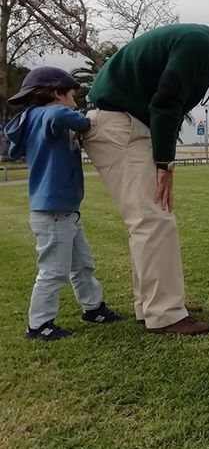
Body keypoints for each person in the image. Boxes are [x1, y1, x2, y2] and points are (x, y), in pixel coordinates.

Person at [83, 0, 209, 335]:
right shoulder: (197, 43)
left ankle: (156, 304)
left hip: (129, 124)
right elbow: (167, 101)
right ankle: (165, 313)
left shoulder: (201, 46)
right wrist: (164, 164)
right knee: (153, 220)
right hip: (121, 125)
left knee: (154, 218)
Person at [4, 67, 121, 341]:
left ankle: (93, 307)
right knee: (53, 271)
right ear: (57, 93)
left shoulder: (35, 118)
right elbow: (60, 114)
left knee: (82, 264)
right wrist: (84, 123)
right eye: (72, 95)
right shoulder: (46, 114)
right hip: (53, 210)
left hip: (65, 210)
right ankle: (39, 325)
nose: (75, 102)